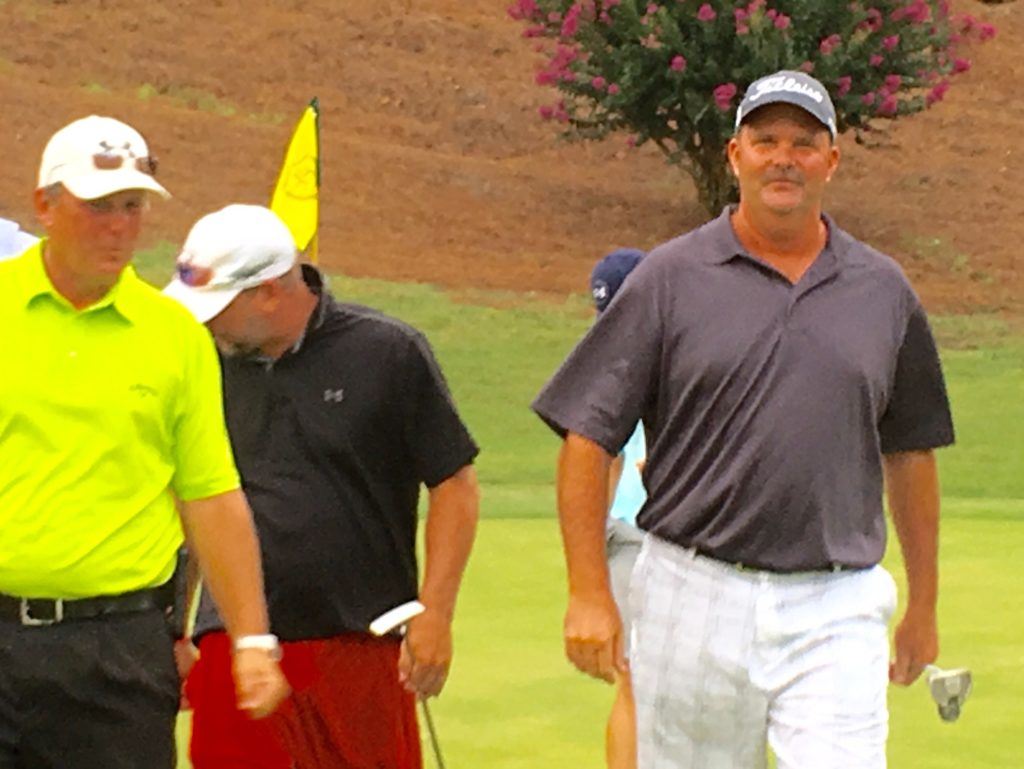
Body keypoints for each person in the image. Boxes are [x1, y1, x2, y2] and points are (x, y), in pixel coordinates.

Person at [532, 70, 955, 769]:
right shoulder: (668, 278)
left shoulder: (883, 290)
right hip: (692, 588)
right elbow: (588, 435)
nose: (783, 157)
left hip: (835, 596)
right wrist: (588, 591)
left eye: (803, 142)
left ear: (832, 160)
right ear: (735, 157)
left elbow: (911, 452)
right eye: (765, 141)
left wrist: (925, 604)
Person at [0, 116, 288, 769]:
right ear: (45, 204)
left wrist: (250, 638)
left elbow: (209, 494)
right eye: (98, 206)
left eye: (132, 207)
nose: (119, 226)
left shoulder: (173, 335)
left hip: (117, 649)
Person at [163, 204, 481, 769]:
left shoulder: (387, 352)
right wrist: (175, 628)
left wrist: (436, 614)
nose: (205, 324)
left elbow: (453, 482)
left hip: (360, 644)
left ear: (268, 292)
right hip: (233, 646)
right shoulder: (199, 363)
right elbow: (191, 503)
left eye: (217, 308)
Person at [590, 248, 647, 769]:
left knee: (637, 686)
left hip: (626, 536)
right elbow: (602, 462)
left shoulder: (603, 363)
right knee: (638, 686)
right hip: (643, 534)